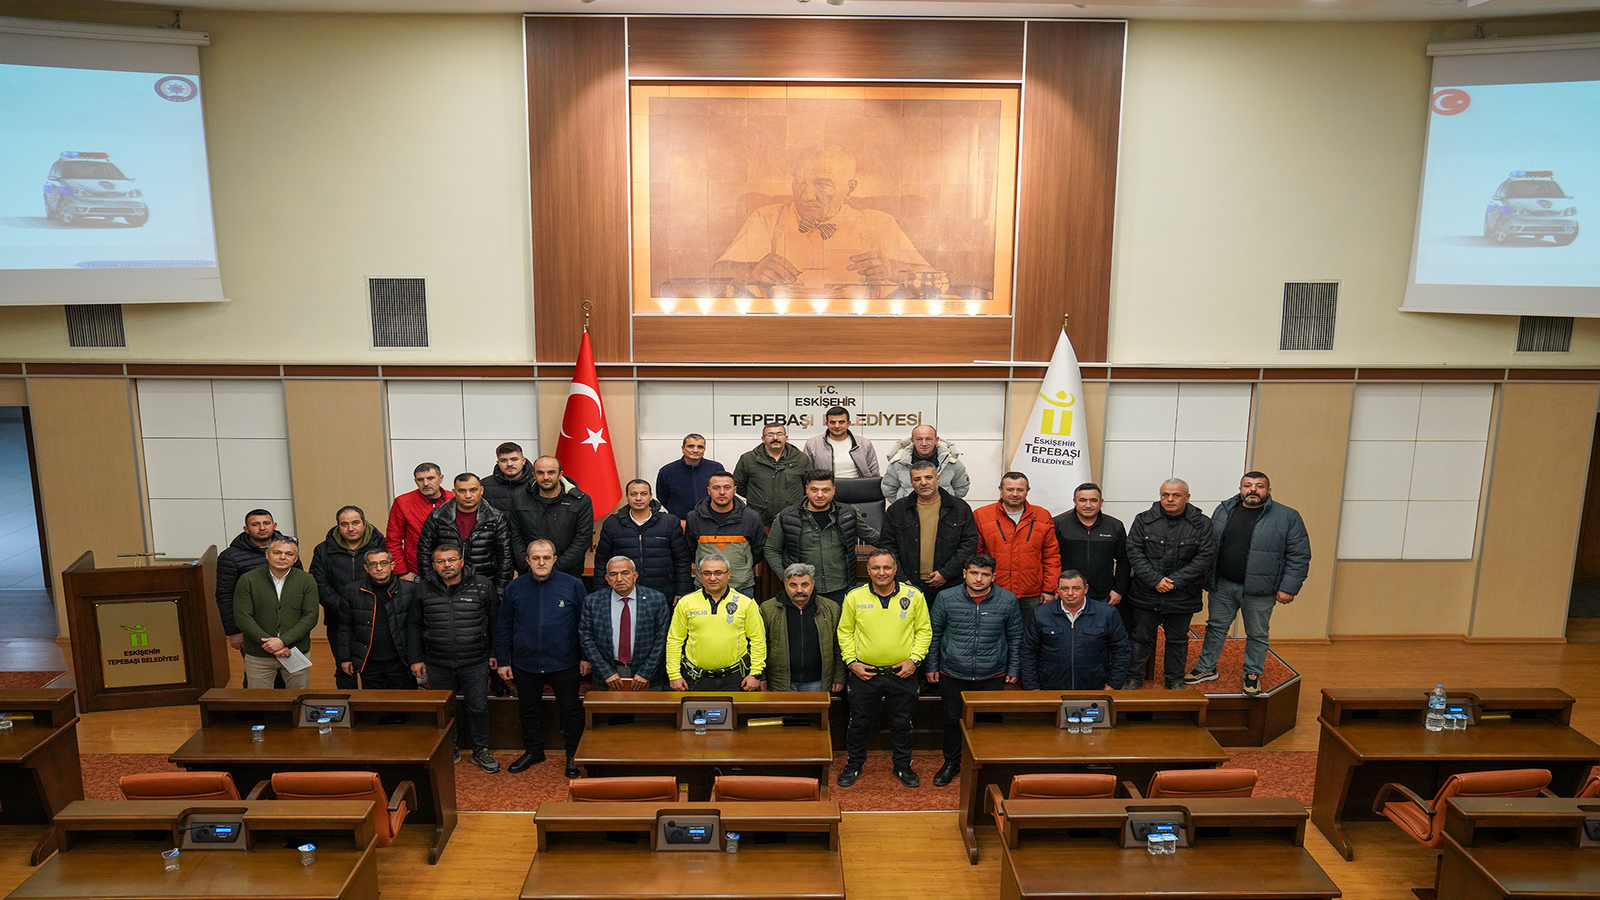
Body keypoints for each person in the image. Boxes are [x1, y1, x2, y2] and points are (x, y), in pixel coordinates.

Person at [711, 144, 935, 287]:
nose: (806, 195)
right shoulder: (766, 218)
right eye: (799, 181)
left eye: (823, 184)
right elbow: (715, 274)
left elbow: (935, 279)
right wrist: (749, 270)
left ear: (850, 188)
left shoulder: (879, 223)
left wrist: (894, 270)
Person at [1186, 472, 1311, 697]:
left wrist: (1288, 587)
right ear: (1240, 488)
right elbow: (1210, 545)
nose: (1253, 490)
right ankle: (1206, 668)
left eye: (1259, 486)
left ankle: (1252, 674)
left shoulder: (1288, 516)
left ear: (1268, 491)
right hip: (1223, 584)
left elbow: (1299, 555)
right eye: (1248, 485)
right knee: (1215, 627)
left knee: (1257, 633)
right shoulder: (1224, 509)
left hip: (1260, 590)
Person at [925, 554, 1023, 787]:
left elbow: (1015, 636)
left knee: (988, 721)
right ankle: (951, 763)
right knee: (952, 720)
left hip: (992, 673)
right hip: (952, 672)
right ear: (964, 573)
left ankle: (986, 764)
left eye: (985, 574)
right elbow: (934, 633)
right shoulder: (945, 597)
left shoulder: (1008, 600)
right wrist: (931, 665)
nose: (979, 579)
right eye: (974, 573)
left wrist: (1013, 667)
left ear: (993, 576)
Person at [837, 550, 930, 789]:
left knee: (903, 724)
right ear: (867, 571)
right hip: (864, 674)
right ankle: (854, 764)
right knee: (858, 723)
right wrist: (852, 662)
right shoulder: (854, 596)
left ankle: (903, 766)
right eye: (876, 568)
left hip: (903, 673)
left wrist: (914, 661)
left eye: (887, 567)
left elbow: (923, 631)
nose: (881, 572)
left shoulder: (914, 595)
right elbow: (844, 632)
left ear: (895, 569)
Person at [495, 540, 588, 778]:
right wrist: (503, 660)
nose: (541, 562)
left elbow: (585, 624)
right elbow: (504, 625)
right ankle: (534, 750)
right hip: (525, 663)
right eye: (536, 558)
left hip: (565, 662)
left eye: (546, 557)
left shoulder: (573, 585)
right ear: (527, 561)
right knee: (528, 709)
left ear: (555, 559)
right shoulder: (514, 587)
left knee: (570, 710)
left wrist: (585, 657)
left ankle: (573, 754)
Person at [407, 542, 501, 773]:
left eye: (451, 560)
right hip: (437, 661)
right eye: (440, 561)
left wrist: (495, 654)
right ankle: (450, 749)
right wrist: (416, 658)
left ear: (461, 561)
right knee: (444, 710)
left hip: (475, 660)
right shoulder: (423, 588)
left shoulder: (482, 585)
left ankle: (481, 750)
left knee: (478, 708)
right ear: (434, 565)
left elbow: (496, 622)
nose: (446, 565)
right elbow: (414, 625)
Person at [1124, 479, 1216, 690]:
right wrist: (1155, 579)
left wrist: (1174, 582)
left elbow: (1205, 556)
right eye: (1165, 495)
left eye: (1176, 495)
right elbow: (1134, 551)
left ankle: (1174, 679)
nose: (1170, 499)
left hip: (1183, 594)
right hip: (1147, 592)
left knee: (1177, 640)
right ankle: (1134, 678)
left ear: (1187, 498)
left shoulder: (1202, 523)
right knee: (1140, 638)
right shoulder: (1143, 519)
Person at [765, 468, 882, 604]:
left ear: (834, 490)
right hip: (802, 590)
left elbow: (874, 538)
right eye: (814, 490)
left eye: (825, 490)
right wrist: (786, 577)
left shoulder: (848, 513)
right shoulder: (787, 516)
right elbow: (771, 550)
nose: (820, 495)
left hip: (840, 588)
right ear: (806, 489)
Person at [310, 506, 387, 690]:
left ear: (364, 523)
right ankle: (350, 706)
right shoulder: (323, 550)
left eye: (355, 523)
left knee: (375, 669)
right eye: (344, 524)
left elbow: (388, 580)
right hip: (337, 619)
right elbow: (319, 583)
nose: (350, 528)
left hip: (374, 619)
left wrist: (365, 610)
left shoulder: (381, 546)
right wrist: (343, 610)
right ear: (338, 526)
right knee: (344, 668)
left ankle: (372, 705)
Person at [665, 554, 766, 692]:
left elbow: (758, 640)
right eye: (707, 573)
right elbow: (674, 640)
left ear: (728, 574)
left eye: (718, 573)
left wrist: (755, 673)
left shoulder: (746, 603)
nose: (712, 578)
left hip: (736, 678)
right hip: (695, 679)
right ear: (700, 575)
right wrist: (674, 675)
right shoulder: (685, 603)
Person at [880, 460, 979, 597]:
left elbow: (969, 544)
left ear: (937, 479)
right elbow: (888, 546)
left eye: (928, 477)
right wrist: (902, 579)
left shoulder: (959, 508)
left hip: (950, 584)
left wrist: (946, 573)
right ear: (911, 482)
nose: (923, 483)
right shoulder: (897, 510)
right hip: (908, 584)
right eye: (917, 479)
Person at [1019, 571, 1131, 692]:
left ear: (1085, 589)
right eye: (1065, 588)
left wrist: (1113, 685)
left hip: (1095, 688)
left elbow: (1122, 650)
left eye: (1076, 588)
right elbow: (1028, 651)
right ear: (1057, 590)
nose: (1070, 593)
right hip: (1050, 689)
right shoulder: (1041, 614)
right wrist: (1032, 687)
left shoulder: (1107, 614)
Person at [232, 536, 319, 690]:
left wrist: (283, 641)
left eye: (289, 554)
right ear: (267, 554)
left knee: (299, 698)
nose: (282, 557)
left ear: (296, 558)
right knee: (260, 700)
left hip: (295, 652)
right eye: (277, 553)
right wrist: (270, 645)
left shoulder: (307, 580)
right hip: (259, 654)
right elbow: (243, 617)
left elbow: (310, 616)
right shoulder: (248, 580)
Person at [973, 472, 1060, 621]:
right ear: (1000, 489)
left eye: (1020, 490)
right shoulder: (982, 515)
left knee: (1030, 633)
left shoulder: (1042, 515)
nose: (1015, 494)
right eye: (1010, 489)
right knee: (994, 633)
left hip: (1032, 594)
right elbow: (976, 555)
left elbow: (1051, 556)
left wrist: (1049, 589)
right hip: (994, 591)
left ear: (1027, 490)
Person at [215, 508, 300, 660]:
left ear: (274, 525)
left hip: (288, 624)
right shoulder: (230, 556)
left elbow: (299, 583)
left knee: (290, 667)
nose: (262, 528)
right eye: (255, 524)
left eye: (266, 523)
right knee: (258, 669)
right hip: (251, 627)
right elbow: (225, 595)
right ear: (246, 529)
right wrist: (233, 631)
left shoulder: (287, 547)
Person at [580, 556, 671, 691]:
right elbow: (586, 638)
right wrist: (606, 672)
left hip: (647, 675)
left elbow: (662, 639)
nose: (619, 579)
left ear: (635, 576)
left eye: (625, 573)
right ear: (607, 579)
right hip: (607, 676)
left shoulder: (656, 599)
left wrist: (645, 672)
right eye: (613, 574)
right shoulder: (593, 601)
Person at [594, 480, 692, 600]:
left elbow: (682, 560)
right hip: (623, 593)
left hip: (663, 592)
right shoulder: (612, 523)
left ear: (650, 496)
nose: (638, 498)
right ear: (627, 497)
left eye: (643, 494)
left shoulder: (669, 522)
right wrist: (601, 593)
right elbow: (602, 561)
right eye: (633, 494)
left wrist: (682, 591)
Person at [417, 473, 515, 590]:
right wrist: (431, 585)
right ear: (454, 492)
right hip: (445, 585)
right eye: (462, 491)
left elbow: (505, 557)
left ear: (481, 490)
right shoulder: (438, 516)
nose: (468, 495)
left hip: (484, 584)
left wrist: (500, 590)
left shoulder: (496, 518)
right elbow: (424, 553)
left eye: (473, 490)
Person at [336, 549, 418, 690]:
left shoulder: (410, 590)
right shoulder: (352, 591)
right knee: (373, 702)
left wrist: (418, 658)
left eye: (383, 563)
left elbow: (417, 627)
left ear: (392, 565)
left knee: (405, 701)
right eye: (373, 564)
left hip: (401, 661)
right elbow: (345, 627)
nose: (379, 568)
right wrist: (346, 658)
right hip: (369, 661)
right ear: (366, 568)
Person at [503, 455, 594, 580]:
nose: (546, 477)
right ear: (534, 475)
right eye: (540, 473)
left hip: (567, 573)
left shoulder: (580, 501)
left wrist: (555, 567)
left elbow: (582, 539)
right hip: (529, 572)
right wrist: (528, 565)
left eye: (551, 472)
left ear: (560, 474)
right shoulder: (519, 498)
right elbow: (515, 535)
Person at [759, 563, 846, 693]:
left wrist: (839, 677)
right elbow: (760, 644)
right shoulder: (768, 609)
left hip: (818, 682)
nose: (799, 590)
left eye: (805, 585)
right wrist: (761, 676)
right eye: (793, 585)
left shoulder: (830, 608)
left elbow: (838, 645)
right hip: (780, 682)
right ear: (785, 585)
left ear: (812, 584)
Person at [683, 470, 767, 596]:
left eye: (727, 487)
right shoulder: (694, 518)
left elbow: (759, 550)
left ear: (734, 490)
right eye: (716, 488)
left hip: (741, 587)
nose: (722, 492)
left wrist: (741, 566)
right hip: (705, 588)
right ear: (708, 490)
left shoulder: (751, 517)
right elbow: (691, 550)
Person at [1054, 483, 1131, 613]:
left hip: (1104, 595)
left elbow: (1124, 560)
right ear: (1075, 502)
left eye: (1093, 500)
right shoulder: (1058, 524)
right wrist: (1054, 588)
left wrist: (1118, 589)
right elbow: (1050, 559)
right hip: (1067, 594)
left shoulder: (1114, 526)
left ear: (1101, 502)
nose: (1088, 505)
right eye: (1083, 500)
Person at [732, 423, 810, 526]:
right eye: (770, 434)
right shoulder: (748, 459)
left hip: (792, 517)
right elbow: (738, 485)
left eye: (779, 434)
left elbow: (809, 486)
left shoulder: (801, 459)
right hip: (759, 518)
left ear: (786, 437)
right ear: (763, 439)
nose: (775, 438)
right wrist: (758, 499)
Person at [386, 463, 453, 581]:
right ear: (415, 481)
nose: (426, 483)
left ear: (441, 478)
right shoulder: (402, 502)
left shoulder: (454, 499)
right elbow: (393, 539)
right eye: (420, 480)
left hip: (452, 568)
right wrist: (402, 572)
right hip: (416, 570)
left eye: (430, 478)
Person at [880, 425, 971, 502]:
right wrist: (902, 506)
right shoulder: (898, 463)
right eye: (919, 439)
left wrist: (948, 505)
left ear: (936, 440)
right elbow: (888, 488)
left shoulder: (952, 462)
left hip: (943, 513)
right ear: (912, 441)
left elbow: (962, 487)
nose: (924, 443)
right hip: (908, 513)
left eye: (928, 439)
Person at [656, 433, 722, 520]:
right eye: (691, 446)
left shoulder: (716, 468)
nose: (695, 450)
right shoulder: (667, 471)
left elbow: (722, 493)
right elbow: (662, 497)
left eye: (700, 447)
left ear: (704, 449)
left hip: (710, 521)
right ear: (683, 448)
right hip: (680, 523)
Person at [802, 407, 880, 479]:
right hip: (825, 488)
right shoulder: (812, 444)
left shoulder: (865, 444)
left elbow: (874, 474)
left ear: (848, 423)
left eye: (841, 422)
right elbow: (807, 474)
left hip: (858, 487)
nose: (837, 426)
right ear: (827, 424)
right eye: (832, 422)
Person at [480, 442, 534, 510]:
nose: (509, 464)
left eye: (514, 459)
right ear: (498, 463)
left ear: (523, 461)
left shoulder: (536, 483)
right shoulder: (484, 486)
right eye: (504, 460)